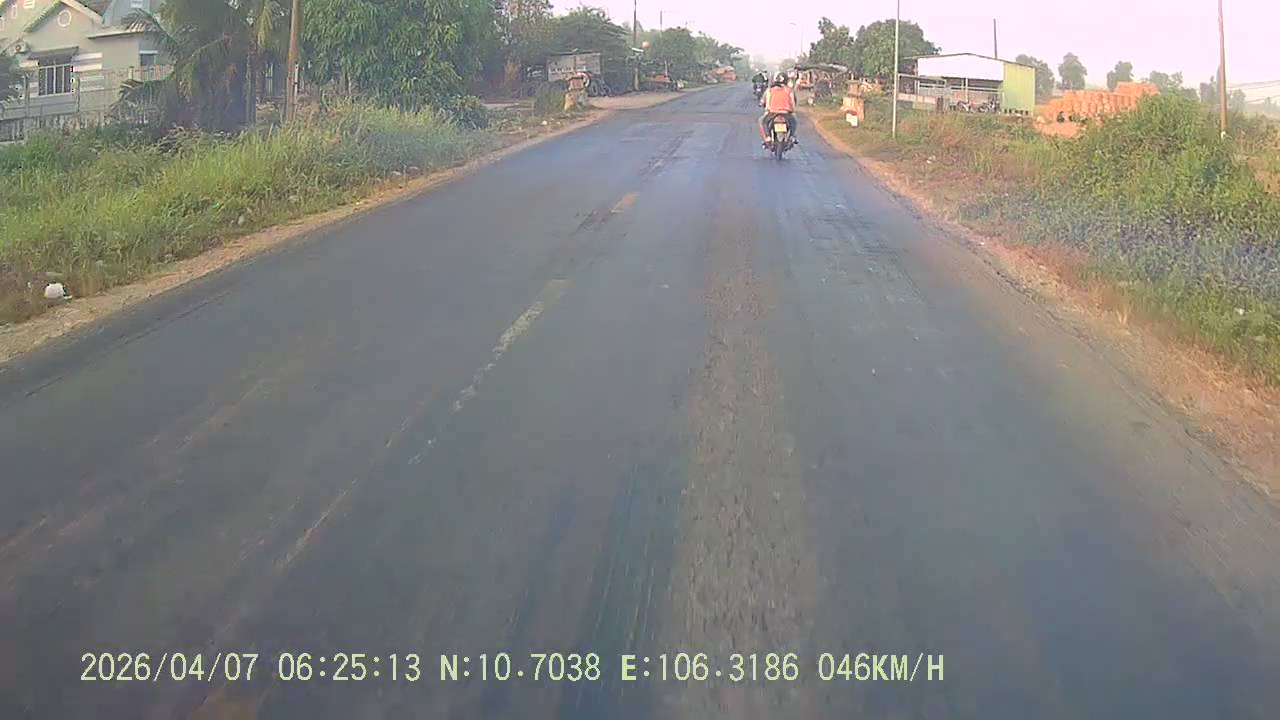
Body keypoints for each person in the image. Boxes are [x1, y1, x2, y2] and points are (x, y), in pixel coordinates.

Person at [759, 72, 797, 147]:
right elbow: (793, 103)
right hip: (786, 113)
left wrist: (764, 107)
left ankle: (768, 137)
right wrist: (792, 111)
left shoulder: (770, 90)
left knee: (763, 122)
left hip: (772, 113)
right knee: (794, 122)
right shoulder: (789, 90)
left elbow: (765, 102)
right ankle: (792, 137)